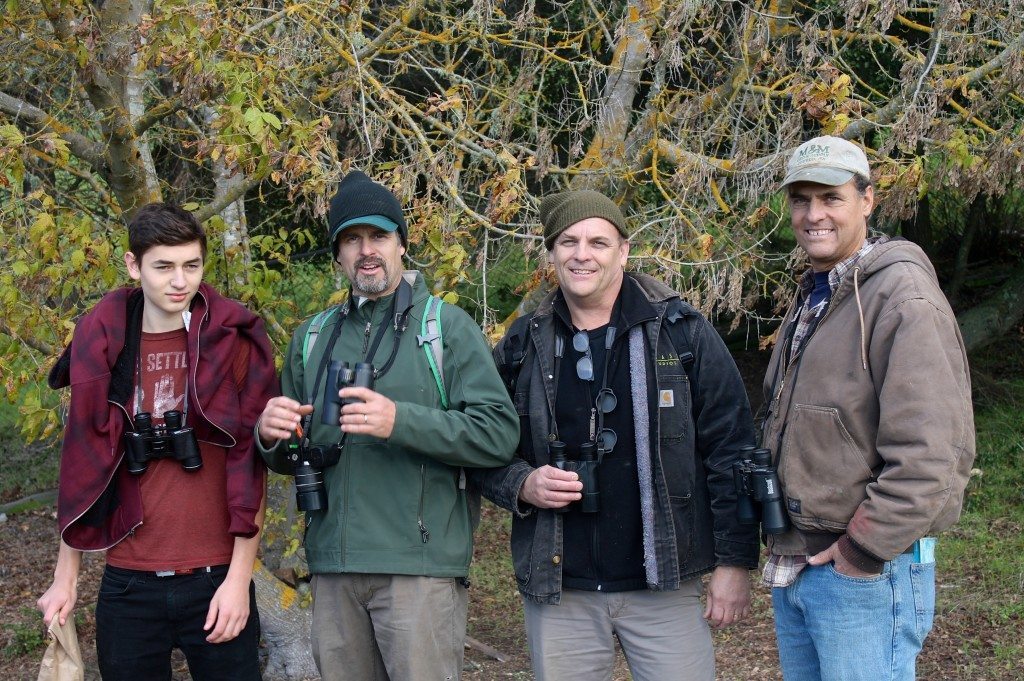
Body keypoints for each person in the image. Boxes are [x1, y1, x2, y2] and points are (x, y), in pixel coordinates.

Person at [475, 190, 759, 681]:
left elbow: (730, 447)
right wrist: (522, 484)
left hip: (664, 583)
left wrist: (735, 563)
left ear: (623, 251)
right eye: (568, 241)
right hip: (561, 586)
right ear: (551, 253)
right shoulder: (523, 343)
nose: (582, 254)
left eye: (598, 242)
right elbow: (477, 443)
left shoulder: (680, 332)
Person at [255, 170, 518, 681]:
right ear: (337, 254)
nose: (366, 250)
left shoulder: (444, 327)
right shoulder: (312, 337)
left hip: (417, 570)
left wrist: (400, 420)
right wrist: (270, 436)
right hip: (332, 569)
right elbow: (292, 454)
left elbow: (498, 434)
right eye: (352, 239)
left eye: (379, 236)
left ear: (402, 244)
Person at [761, 136, 976, 680]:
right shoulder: (815, 294)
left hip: (864, 572)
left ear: (867, 200)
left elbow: (930, 453)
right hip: (800, 559)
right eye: (801, 200)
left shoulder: (902, 298)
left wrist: (863, 551)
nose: (814, 215)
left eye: (831, 198)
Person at [37, 203, 277, 680]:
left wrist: (238, 579)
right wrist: (66, 578)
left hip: (215, 577)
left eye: (191, 266)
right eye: (163, 266)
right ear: (134, 266)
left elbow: (252, 465)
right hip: (128, 583)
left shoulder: (232, 341)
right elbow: (83, 465)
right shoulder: (102, 343)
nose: (179, 281)